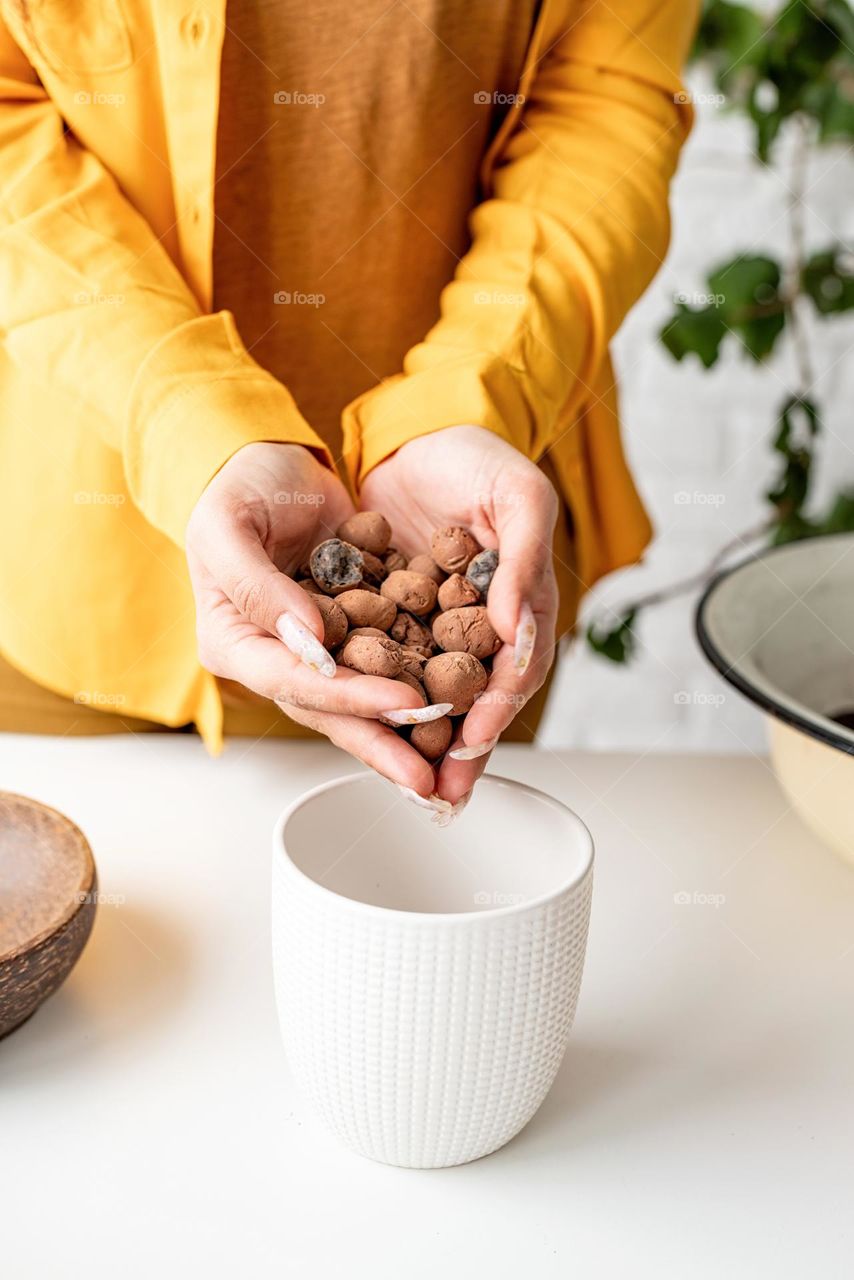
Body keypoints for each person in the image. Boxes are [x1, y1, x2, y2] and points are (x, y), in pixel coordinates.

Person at [0, 0, 698, 811]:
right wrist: (188, 419)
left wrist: (476, 387)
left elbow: (603, 104)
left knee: (408, 911)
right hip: (69, 561)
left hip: (473, 499)